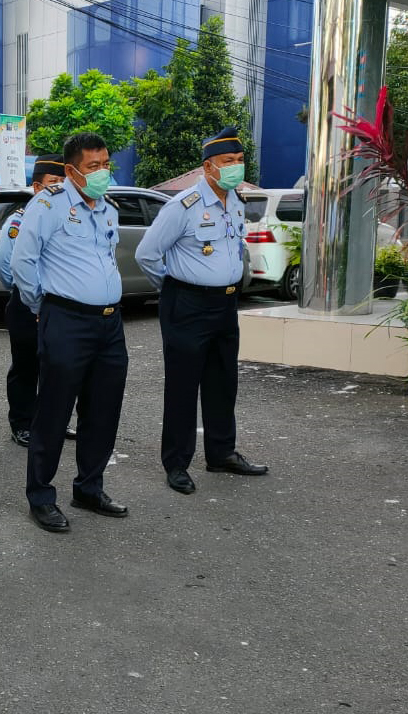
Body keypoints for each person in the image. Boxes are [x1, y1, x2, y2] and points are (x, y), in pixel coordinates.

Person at [134, 126, 268, 495]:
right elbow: (147, 254)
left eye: (240, 161)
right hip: (187, 305)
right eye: (228, 162)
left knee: (223, 382)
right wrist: (177, 288)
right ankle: (176, 463)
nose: (236, 167)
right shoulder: (184, 206)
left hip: (225, 303)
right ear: (209, 167)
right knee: (182, 387)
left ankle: (221, 453)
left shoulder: (236, 201)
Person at [12, 133, 130, 533]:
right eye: (92, 166)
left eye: (105, 164)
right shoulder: (47, 205)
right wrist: (40, 308)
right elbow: (22, 262)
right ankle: (41, 496)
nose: (101, 172)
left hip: (110, 324)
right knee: (54, 410)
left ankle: (89, 487)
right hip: (66, 320)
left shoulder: (108, 209)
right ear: (71, 170)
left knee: (103, 409)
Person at [0, 154, 76, 447]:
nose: (60, 188)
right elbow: (5, 264)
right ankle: (23, 424)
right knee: (26, 367)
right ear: (37, 188)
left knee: (59, 366)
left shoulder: (70, 216)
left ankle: (54, 420)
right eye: (54, 183)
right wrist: (24, 293)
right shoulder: (19, 220)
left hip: (60, 305)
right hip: (27, 304)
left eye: (63, 183)